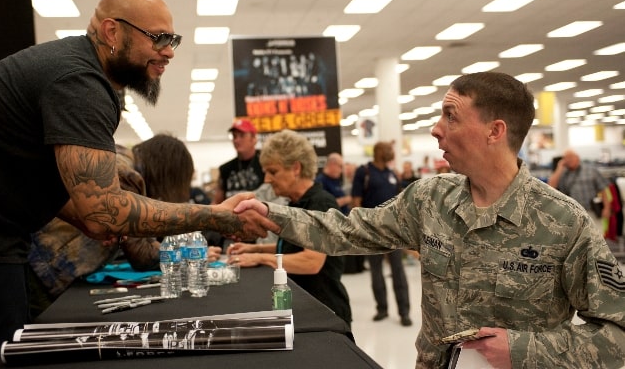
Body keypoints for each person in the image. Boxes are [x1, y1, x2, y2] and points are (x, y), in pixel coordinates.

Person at [235, 72, 625, 368]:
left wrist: (523, 349)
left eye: (450, 117)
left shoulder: (563, 222)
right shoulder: (431, 198)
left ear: (495, 131)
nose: (436, 129)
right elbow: (350, 230)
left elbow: (617, 335)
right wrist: (272, 214)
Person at [0, 0, 266, 363]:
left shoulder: (77, 72)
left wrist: (84, 217)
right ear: (113, 32)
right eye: (159, 38)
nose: (169, 51)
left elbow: (28, 170)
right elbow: (106, 211)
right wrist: (215, 216)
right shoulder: (79, 82)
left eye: (173, 39)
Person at [27, 135, 222, 317]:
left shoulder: (118, 157)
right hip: (41, 272)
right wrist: (190, 253)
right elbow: (141, 254)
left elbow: (140, 240)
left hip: (38, 263)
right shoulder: (127, 176)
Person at [227, 130, 352, 327]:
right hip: (304, 306)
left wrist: (260, 258)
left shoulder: (320, 203)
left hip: (324, 310)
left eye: (273, 172)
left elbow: (311, 261)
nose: (267, 179)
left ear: (295, 168)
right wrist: (254, 248)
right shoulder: (296, 203)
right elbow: (292, 246)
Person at [351, 141, 411, 327]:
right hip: (372, 230)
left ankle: (404, 312)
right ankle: (382, 309)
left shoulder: (392, 174)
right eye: (388, 150)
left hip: (393, 230)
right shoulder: (364, 172)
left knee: (398, 271)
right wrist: (361, 227)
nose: (391, 154)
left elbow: (400, 199)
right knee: (376, 271)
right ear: (378, 152)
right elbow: (356, 201)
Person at [548, 149, 612, 221]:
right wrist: (559, 167)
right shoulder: (563, 173)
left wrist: (607, 208)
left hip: (591, 211)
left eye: (571, 157)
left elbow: (603, 189)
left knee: (595, 232)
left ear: (577, 157)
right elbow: (551, 186)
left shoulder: (591, 170)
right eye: (566, 158)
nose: (568, 160)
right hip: (572, 214)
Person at [212, 118, 265, 204]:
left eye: (242, 135)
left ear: (254, 138)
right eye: (234, 136)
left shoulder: (266, 164)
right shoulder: (225, 169)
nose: (236, 140)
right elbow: (217, 201)